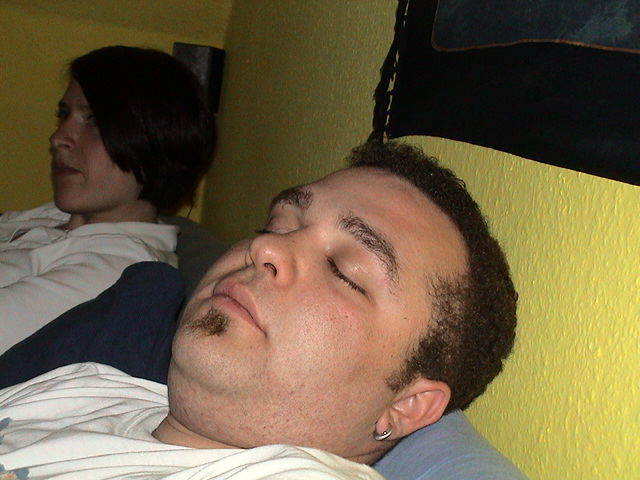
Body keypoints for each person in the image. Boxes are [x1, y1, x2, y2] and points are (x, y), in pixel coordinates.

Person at [0, 141, 517, 479]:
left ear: (404, 407)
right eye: (277, 225)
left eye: (344, 271)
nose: (265, 248)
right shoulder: (85, 385)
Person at [0, 45, 215, 353]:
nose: (58, 137)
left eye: (94, 120)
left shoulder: (116, 272)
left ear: (155, 139)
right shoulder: (65, 215)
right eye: (64, 115)